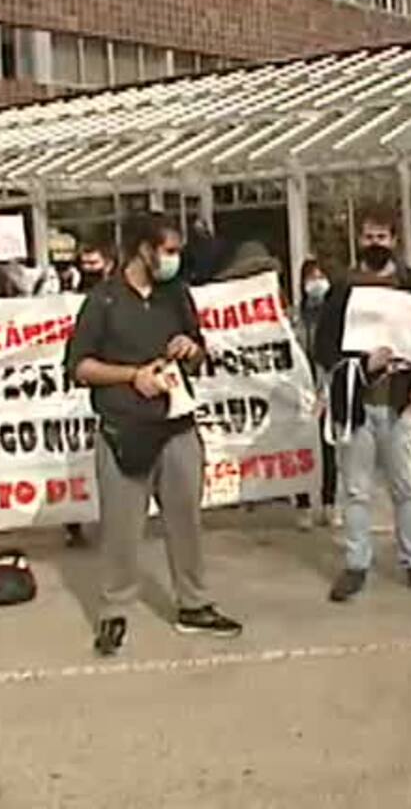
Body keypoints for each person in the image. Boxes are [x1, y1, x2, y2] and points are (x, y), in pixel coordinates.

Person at [67, 213, 243, 656]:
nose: (173, 259)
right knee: (122, 528)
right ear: (143, 249)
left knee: (186, 520)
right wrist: (132, 376)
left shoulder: (176, 295)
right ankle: (114, 611)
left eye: (177, 251)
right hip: (123, 429)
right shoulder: (103, 301)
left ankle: (194, 603)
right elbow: (80, 367)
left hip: (178, 426)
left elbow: (200, 352)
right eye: (167, 250)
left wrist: (191, 350)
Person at [314, 206, 411, 603]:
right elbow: (324, 345)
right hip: (357, 403)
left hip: (400, 402)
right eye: (369, 237)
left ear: (395, 240)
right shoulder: (342, 289)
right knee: (356, 491)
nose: (375, 244)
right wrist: (359, 363)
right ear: (360, 240)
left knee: (404, 487)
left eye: (382, 237)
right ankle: (357, 564)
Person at [292, 259, 340, 530]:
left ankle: (330, 503)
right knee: (300, 448)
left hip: (325, 388)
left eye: (321, 276)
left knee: (327, 448)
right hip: (298, 390)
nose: (316, 282)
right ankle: (303, 506)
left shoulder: (332, 315)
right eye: (311, 277)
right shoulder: (295, 316)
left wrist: (324, 391)